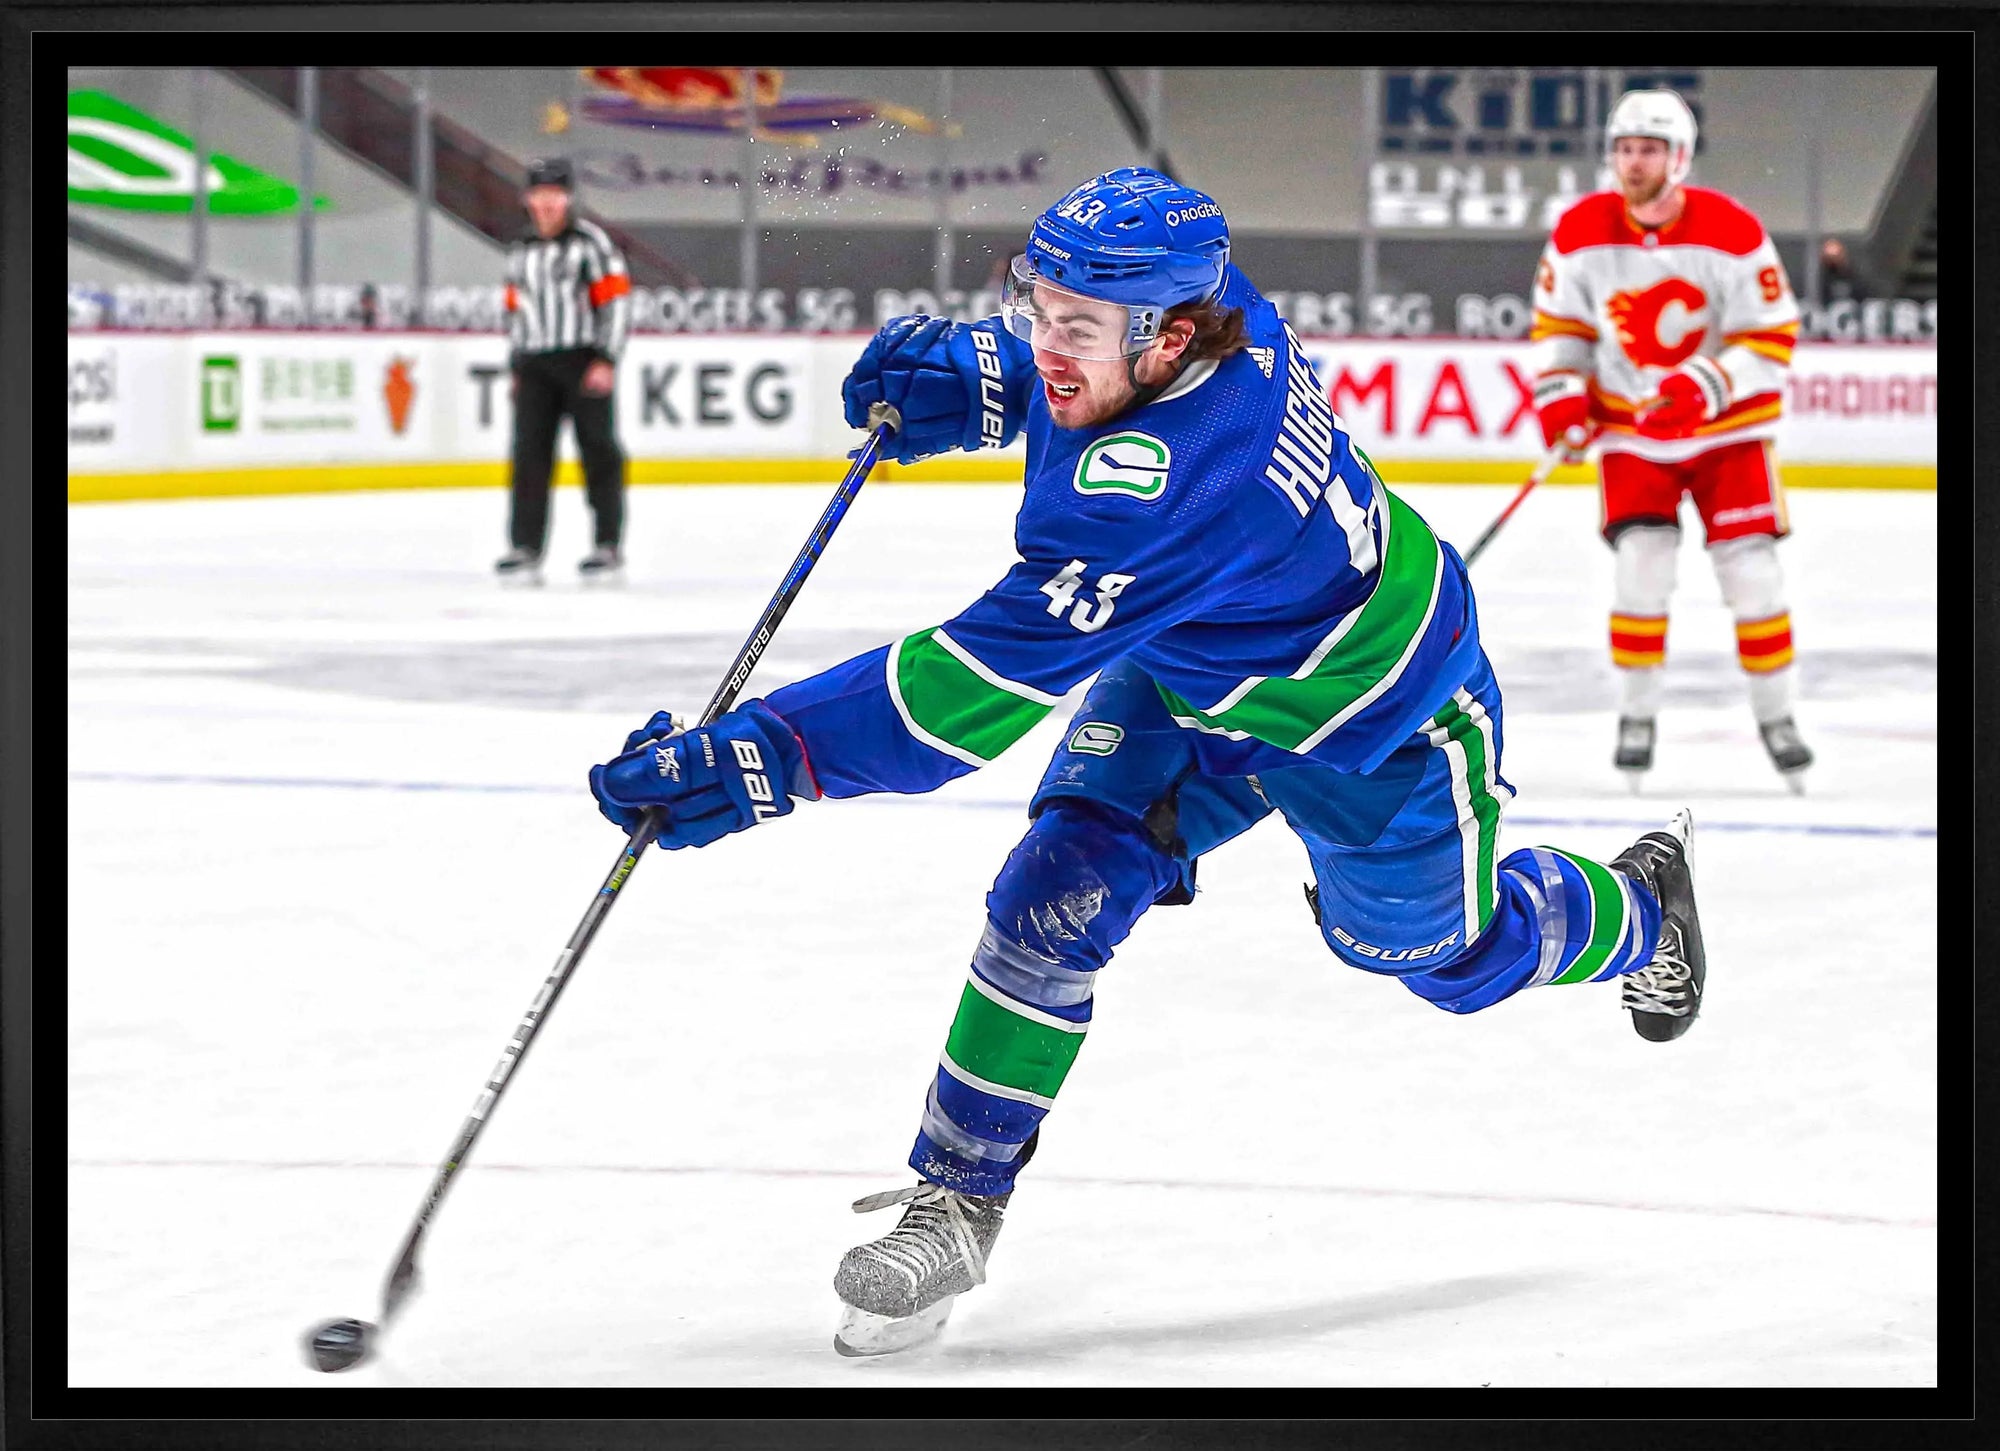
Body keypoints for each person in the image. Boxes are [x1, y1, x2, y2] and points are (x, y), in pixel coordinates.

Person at [588, 168, 1709, 1357]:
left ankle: (1641, 913)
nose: (1047, 343)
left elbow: (951, 705)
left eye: (1075, 327)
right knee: (1051, 889)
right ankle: (957, 1196)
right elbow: (1077, 375)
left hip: (1377, 717)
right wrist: (988, 378)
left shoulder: (1162, 494)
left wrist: (760, 756)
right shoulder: (1212, 306)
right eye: (1037, 308)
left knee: (1441, 957)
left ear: (1169, 337)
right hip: (1194, 665)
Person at [1530, 89, 1812, 790]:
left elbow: (1772, 334)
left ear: (1679, 157)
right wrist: (1565, 400)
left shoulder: (1732, 230)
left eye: (1649, 149)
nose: (1633, 162)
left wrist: (1702, 385)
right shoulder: (1580, 231)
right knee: (1640, 574)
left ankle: (1777, 717)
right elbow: (1562, 329)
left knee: (1754, 579)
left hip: (1729, 435)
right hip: (1632, 434)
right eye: (1625, 149)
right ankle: (1636, 716)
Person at [495, 157, 632, 587]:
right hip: (535, 364)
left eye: (554, 194)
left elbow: (616, 303)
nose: (547, 203)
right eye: (539, 194)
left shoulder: (592, 245)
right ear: (528, 199)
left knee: (599, 452)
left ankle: (607, 544)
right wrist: (517, 364)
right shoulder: (521, 251)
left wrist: (606, 359)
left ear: (568, 198)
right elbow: (516, 310)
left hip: (584, 359)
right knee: (529, 455)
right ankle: (525, 547)